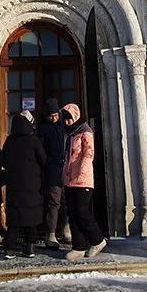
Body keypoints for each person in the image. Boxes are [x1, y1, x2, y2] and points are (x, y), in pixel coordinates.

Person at [0, 102, 47, 257]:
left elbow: (3, 161)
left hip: (14, 184)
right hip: (32, 184)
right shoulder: (33, 140)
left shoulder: (10, 141)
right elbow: (43, 159)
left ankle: (10, 248)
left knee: (15, 217)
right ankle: (29, 248)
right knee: (31, 217)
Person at [61, 103, 107, 260]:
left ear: (75, 116)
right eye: (65, 120)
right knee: (73, 213)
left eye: (68, 119)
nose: (66, 122)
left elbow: (88, 154)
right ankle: (78, 246)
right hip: (69, 179)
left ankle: (98, 240)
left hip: (82, 180)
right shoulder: (69, 134)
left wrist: (81, 173)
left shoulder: (85, 132)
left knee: (82, 211)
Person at [40, 98, 70, 249]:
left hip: (66, 170)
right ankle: (50, 233)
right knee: (53, 202)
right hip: (52, 171)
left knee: (66, 201)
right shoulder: (43, 129)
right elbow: (40, 150)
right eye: (51, 116)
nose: (54, 118)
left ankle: (65, 228)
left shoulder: (63, 127)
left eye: (56, 115)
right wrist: (47, 163)